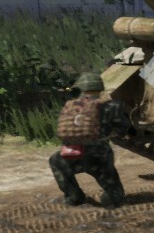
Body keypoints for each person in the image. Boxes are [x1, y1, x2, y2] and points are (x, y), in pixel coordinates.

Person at [49, 72, 132, 208]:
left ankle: (74, 197)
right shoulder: (110, 106)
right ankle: (113, 198)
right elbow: (123, 128)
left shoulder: (71, 105)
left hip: (72, 154)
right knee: (112, 190)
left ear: (81, 88)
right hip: (99, 155)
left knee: (55, 161)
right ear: (100, 88)